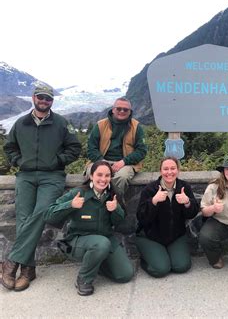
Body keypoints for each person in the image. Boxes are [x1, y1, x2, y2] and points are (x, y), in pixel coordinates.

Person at [2, 85, 81, 292]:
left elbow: (75, 148)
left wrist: (57, 161)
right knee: (23, 218)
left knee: (42, 212)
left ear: (52, 101)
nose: (44, 101)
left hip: (52, 176)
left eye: (48, 98)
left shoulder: (61, 124)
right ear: (33, 98)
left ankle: (11, 263)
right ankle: (29, 270)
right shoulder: (21, 123)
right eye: (41, 97)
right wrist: (19, 161)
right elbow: (9, 147)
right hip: (26, 176)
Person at [44, 161, 134, 296]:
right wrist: (70, 205)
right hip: (77, 240)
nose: (103, 179)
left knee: (125, 275)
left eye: (107, 175)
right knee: (101, 244)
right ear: (91, 176)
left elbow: (120, 224)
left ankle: (95, 263)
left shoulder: (112, 195)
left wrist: (116, 210)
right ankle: (84, 279)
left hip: (105, 240)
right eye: (99, 175)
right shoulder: (78, 193)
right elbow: (49, 216)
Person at [136, 157, 199, 277]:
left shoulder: (184, 187)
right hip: (151, 236)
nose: (169, 172)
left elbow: (192, 213)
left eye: (173, 168)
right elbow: (141, 217)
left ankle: (164, 255)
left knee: (181, 267)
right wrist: (153, 201)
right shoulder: (150, 189)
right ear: (160, 171)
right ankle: (146, 259)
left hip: (175, 236)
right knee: (161, 270)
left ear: (178, 170)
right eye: (165, 169)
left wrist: (187, 202)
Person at [86, 97, 147, 201]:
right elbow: (91, 148)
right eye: (118, 108)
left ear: (130, 112)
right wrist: (102, 162)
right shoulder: (100, 125)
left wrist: (124, 161)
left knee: (122, 177)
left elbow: (142, 151)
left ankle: (115, 202)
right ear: (113, 109)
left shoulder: (136, 127)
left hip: (126, 163)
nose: (122, 111)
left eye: (125, 109)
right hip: (101, 160)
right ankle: (95, 202)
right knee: (92, 173)